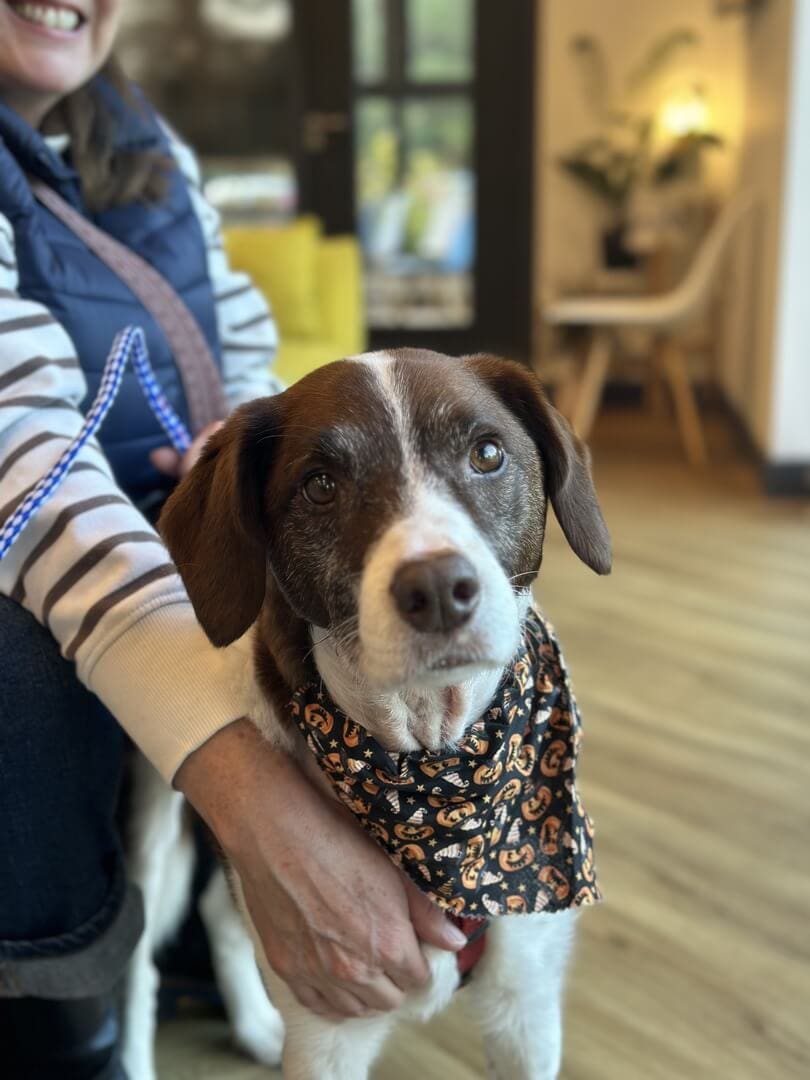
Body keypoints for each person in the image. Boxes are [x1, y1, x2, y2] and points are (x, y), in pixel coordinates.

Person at [0, 3, 465, 1076]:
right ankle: (71, 1012)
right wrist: (253, 803)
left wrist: (255, 448)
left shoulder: (147, 145)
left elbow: (243, 339)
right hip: (56, 567)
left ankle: (216, 936)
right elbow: (25, 473)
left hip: (161, 525)